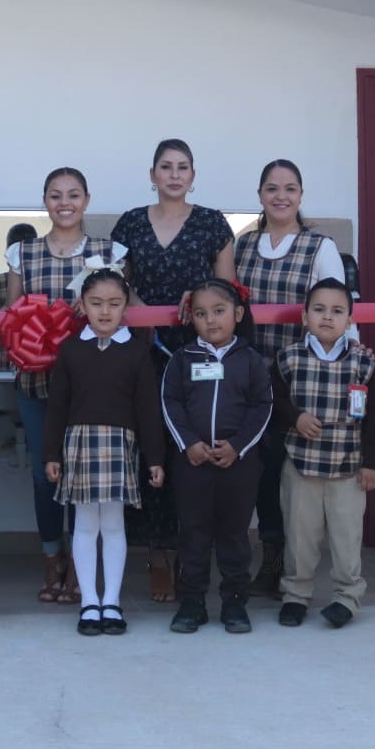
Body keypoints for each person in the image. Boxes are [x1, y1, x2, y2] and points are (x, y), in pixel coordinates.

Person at [110, 138, 236, 601]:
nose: (175, 174)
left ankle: (191, 552)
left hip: (199, 353)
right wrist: (139, 308)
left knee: (194, 445)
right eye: (166, 166)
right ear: (153, 173)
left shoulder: (211, 223)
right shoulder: (129, 223)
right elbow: (112, 280)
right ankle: (156, 555)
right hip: (141, 351)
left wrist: (202, 295)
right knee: (149, 446)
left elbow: (225, 285)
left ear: (193, 175)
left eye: (183, 167)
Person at [5, 167, 127, 605]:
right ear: (44, 201)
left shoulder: (109, 251)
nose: (65, 202)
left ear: (87, 200)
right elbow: (12, 314)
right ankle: (51, 555)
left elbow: (124, 307)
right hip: (37, 380)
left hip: (92, 382)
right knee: (44, 474)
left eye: (74, 195)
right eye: (55, 195)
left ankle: (81, 563)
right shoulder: (23, 252)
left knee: (85, 477)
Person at [233, 159, 349, 598]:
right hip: (248, 380)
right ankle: (272, 559)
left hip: (300, 381)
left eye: (290, 188)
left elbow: (339, 313)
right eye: (272, 188)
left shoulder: (320, 247)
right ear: (260, 194)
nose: (281, 196)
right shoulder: (242, 247)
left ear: (301, 195)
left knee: (294, 476)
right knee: (258, 473)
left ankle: (297, 570)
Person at [45, 270, 165, 636]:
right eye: (96, 303)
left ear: (126, 307)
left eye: (114, 304)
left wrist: (155, 458)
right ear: (82, 305)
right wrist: (52, 453)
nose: (105, 311)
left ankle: (111, 601)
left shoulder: (137, 351)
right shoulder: (71, 348)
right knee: (84, 525)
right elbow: (57, 406)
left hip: (119, 446)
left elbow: (148, 409)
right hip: (79, 445)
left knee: (113, 525)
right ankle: (89, 604)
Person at [270, 278, 375, 629]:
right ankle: (295, 595)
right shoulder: (288, 359)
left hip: (348, 469)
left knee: (346, 537)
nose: (327, 317)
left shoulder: (363, 363)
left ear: (350, 320)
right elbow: (272, 402)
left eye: (337, 311)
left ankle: (346, 597)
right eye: (318, 310)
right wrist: (296, 417)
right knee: (300, 536)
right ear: (304, 316)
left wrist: (372, 464)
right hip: (301, 467)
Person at [161, 278, 274, 634]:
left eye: (219, 311)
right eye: (200, 313)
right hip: (192, 464)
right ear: (190, 318)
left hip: (238, 465)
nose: (210, 320)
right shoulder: (182, 359)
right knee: (193, 533)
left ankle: (234, 601)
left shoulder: (251, 361)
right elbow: (170, 402)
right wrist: (189, 443)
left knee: (234, 534)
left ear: (238, 314)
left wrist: (238, 446)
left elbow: (262, 407)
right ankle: (192, 601)